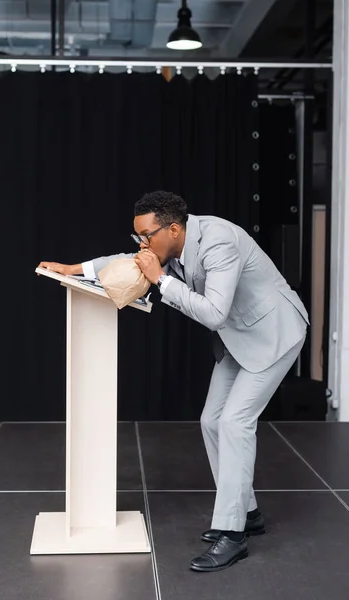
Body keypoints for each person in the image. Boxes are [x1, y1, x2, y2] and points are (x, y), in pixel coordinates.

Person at [38, 190, 308, 573]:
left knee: (234, 423)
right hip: (240, 338)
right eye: (139, 237)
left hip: (274, 334)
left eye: (147, 237)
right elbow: (127, 261)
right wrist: (75, 269)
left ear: (174, 229)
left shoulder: (219, 242)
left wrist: (161, 280)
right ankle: (247, 513)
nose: (142, 245)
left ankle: (232, 534)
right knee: (212, 421)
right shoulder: (171, 246)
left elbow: (214, 313)